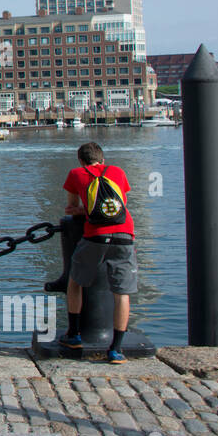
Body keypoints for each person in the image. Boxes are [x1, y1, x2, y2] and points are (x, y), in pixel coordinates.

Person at [58, 141, 136, 364]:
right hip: (124, 234)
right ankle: (116, 349)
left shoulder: (76, 174)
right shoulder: (117, 172)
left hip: (95, 236)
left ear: (81, 161)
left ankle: (74, 334)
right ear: (102, 159)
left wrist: (83, 208)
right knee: (122, 293)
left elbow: (72, 208)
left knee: (75, 281)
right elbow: (121, 203)